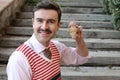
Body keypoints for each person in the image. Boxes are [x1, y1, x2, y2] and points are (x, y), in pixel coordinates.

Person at [6, 0, 90, 80]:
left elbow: (81, 57)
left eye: (51, 22)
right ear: (33, 23)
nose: (44, 27)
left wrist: (79, 39)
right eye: (39, 21)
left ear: (58, 26)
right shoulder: (19, 59)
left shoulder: (56, 47)